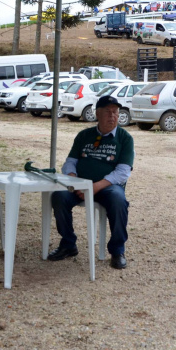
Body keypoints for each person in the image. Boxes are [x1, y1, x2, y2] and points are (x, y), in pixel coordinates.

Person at [46, 95, 135, 270]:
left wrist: (95, 187)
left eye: (116, 112)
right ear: (98, 114)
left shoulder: (125, 138)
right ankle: (68, 244)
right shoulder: (84, 135)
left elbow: (123, 172)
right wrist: (75, 180)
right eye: (108, 112)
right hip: (79, 184)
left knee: (119, 201)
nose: (113, 116)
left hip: (107, 187)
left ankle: (117, 250)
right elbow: (70, 161)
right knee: (58, 196)